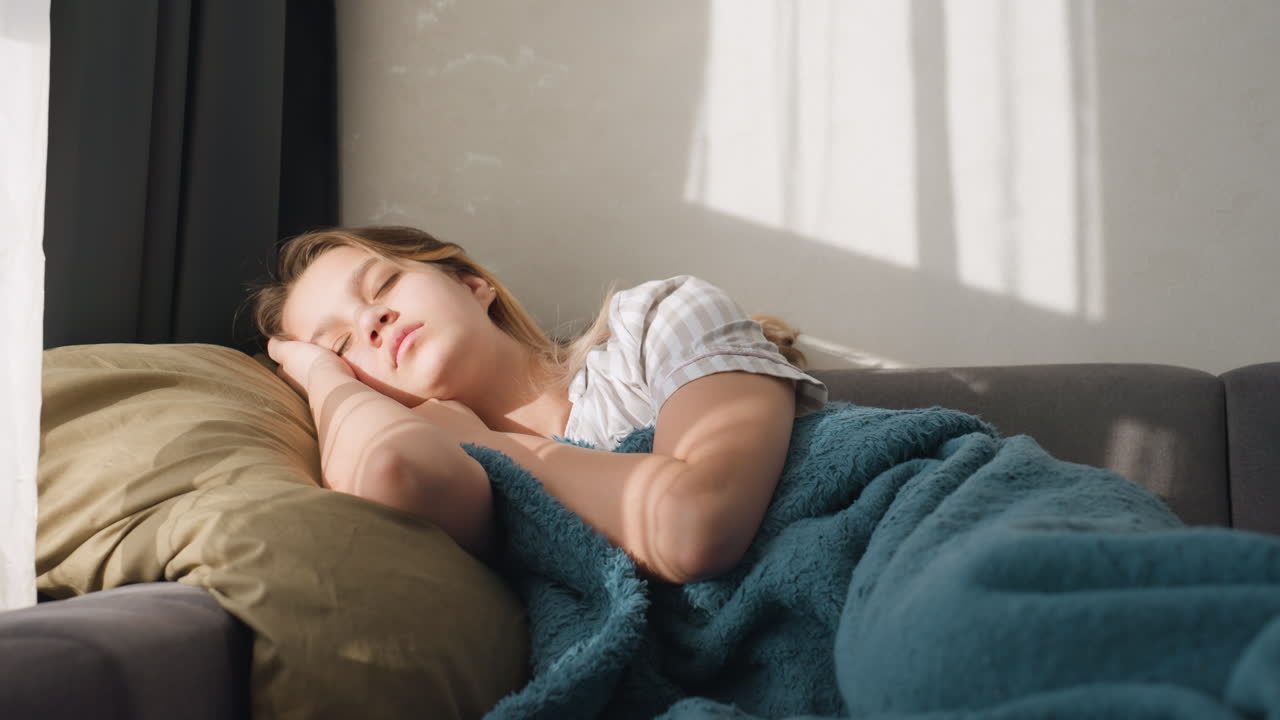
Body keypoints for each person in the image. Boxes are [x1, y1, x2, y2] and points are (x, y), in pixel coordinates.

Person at [249, 225, 828, 583]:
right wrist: (322, 376)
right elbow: (387, 466)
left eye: (382, 286)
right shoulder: (452, 482)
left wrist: (486, 441)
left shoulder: (655, 322)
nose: (371, 320)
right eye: (343, 344)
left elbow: (695, 525)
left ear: (471, 285)